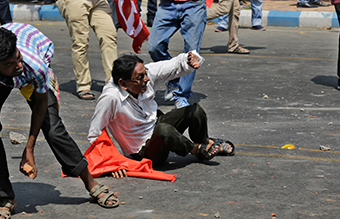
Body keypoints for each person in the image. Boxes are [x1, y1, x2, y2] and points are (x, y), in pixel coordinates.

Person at [0, 23, 119, 219]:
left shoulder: (33, 64)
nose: (17, 65)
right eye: (9, 64)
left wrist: (29, 147)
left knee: (53, 130)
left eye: (17, 57)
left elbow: (41, 103)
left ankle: (92, 184)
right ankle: (4, 198)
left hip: (32, 76)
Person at [88, 52, 234, 171]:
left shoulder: (145, 75)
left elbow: (171, 66)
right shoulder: (111, 98)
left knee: (195, 111)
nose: (146, 79)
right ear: (123, 83)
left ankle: (204, 145)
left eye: (145, 74)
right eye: (140, 78)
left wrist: (188, 60)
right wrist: (113, 162)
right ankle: (195, 149)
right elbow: (95, 133)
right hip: (144, 152)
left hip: (156, 125)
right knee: (164, 130)